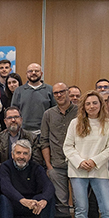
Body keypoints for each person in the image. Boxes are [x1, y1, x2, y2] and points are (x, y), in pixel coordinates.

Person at [63, 91, 109, 218]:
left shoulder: (108, 124)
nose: (91, 106)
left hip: (99, 171)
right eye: (88, 104)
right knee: (81, 210)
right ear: (83, 107)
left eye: (94, 103)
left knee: (107, 210)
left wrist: (94, 161)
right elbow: (68, 146)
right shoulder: (75, 123)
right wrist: (80, 162)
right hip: (78, 171)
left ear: (101, 105)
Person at [0, 140, 59, 218]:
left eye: (25, 153)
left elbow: (49, 186)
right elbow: (5, 186)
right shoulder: (5, 166)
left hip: (33, 205)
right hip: (15, 202)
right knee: (3, 198)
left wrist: (44, 200)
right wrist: (22, 200)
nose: (21, 156)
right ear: (12, 155)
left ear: (29, 156)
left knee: (49, 198)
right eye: (18, 153)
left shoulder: (36, 167)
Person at [40, 82, 78, 210]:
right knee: (61, 203)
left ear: (68, 92)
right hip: (56, 165)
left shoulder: (80, 112)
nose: (59, 95)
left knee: (80, 202)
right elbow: (44, 140)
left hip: (77, 164)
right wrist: (49, 166)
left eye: (62, 91)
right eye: (56, 93)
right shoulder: (48, 114)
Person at [10, 63, 56, 135]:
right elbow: (13, 112)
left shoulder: (50, 90)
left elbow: (54, 111)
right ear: (26, 74)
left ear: (41, 73)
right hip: (23, 132)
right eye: (30, 71)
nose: (33, 73)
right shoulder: (19, 91)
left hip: (44, 132)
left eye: (36, 71)